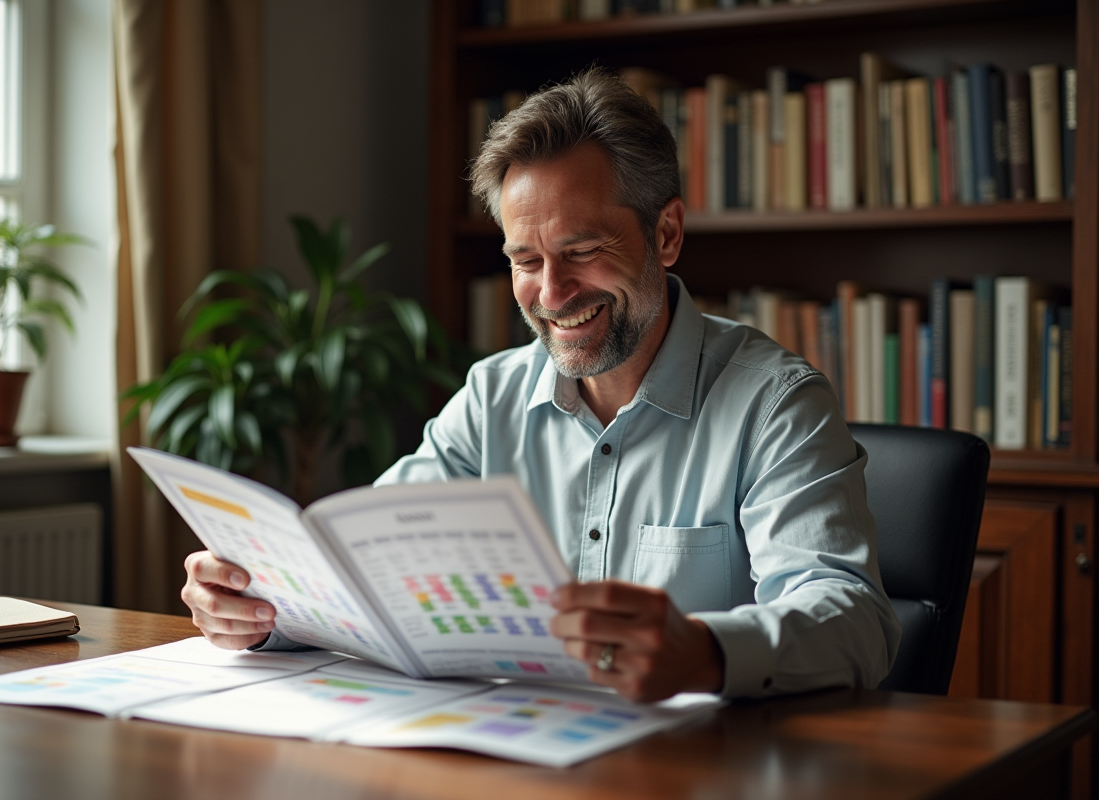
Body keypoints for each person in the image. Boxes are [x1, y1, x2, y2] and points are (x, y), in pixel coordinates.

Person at [181, 68, 901, 702]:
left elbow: (852, 618)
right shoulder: (490, 399)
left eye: (583, 251)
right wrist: (260, 606)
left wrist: (706, 652)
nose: (552, 293)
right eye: (525, 260)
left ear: (668, 234)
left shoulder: (777, 403)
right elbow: (360, 571)